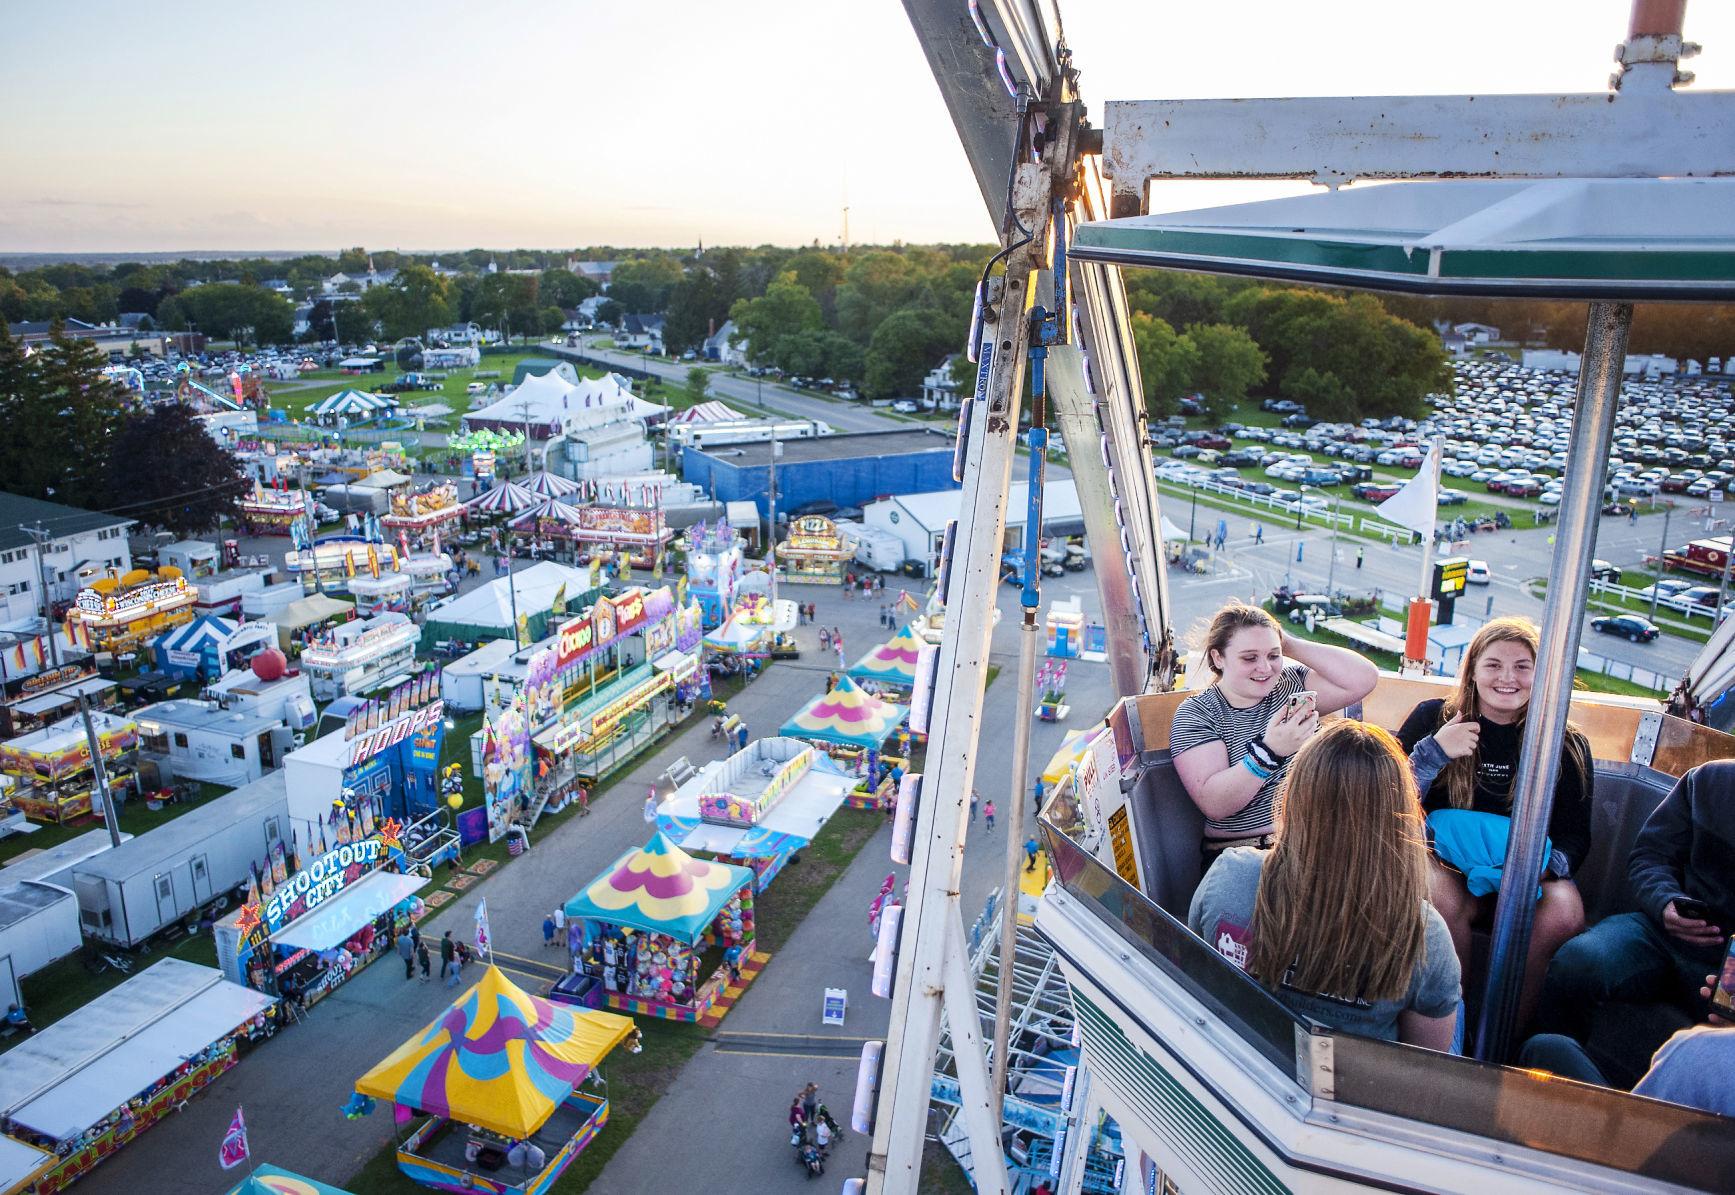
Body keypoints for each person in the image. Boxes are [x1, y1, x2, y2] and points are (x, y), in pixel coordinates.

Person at [1187, 721, 1461, 1048]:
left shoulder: (1229, 876)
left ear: (1291, 796)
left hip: (1243, 1070)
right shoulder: (1423, 931)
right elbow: (1420, 1065)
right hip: (1345, 1090)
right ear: (1399, 816)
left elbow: (1197, 979)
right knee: (1457, 1002)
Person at [1398, 617, 1593, 1030]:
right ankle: (1454, 1026)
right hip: (1443, 858)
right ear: (1472, 671)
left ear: (1542, 675)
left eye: (1523, 666)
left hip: (1525, 866)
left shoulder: (1566, 742)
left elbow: (1576, 834)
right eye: (1493, 665)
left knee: (1563, 912)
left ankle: (1506, 1033)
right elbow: (1387, 801)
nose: (1508, 678)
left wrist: (1537, 870)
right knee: (1439, 897)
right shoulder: (1434, 719)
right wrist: (1434, 753)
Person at [1538, 758, 1735, 1044]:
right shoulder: (1710, 779)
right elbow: (1650, 855)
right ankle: (1546, 1067)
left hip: (1725, 966)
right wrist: (1666, 902)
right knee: (1577, 963)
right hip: (1660, 932)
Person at [1170, 602, 1378, 863]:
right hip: (1244, 852)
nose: (1265, 668)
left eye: (1273, 656)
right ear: (1218, 658)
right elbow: (1215, 804)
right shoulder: (1198, 714)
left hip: (1313, 843)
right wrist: (1269, 752)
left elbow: (1364, 677)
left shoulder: (1291, 686)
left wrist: (1286, 642)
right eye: (1250, 658)